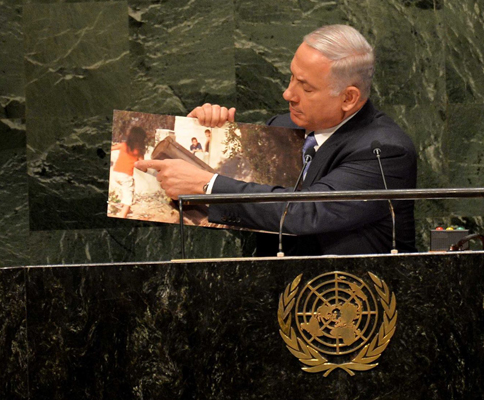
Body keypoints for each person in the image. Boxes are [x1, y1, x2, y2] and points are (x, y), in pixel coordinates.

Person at [136, 25, 417, 255]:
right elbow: (252, 206)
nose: (288, 94)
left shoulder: (384, 150)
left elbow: (303, 213)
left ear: (348, 98)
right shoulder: (282, 127)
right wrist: (211, 138)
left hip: (351, 297)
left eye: (306, 87)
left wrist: (207, 185)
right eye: (292, 77)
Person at [111, 126, 147, 218]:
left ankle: (125, 208)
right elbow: (143, 166)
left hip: (116, 173)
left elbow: (111, 148)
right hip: (126, 175)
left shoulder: (123, 145)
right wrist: (145, 169)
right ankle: (123, 215)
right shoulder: (138, 151)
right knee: (128, 199)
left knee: (128, 188)